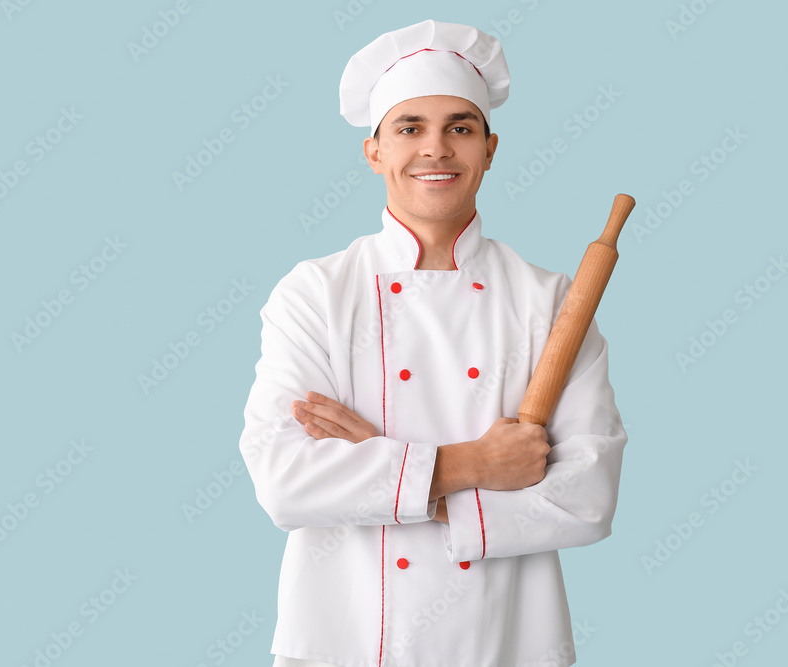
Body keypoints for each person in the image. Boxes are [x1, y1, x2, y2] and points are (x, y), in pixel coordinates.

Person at [239, 19, 626, 667]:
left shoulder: (552, 301)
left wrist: (383, 466)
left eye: (460, 128)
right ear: (374, 152)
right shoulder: (316, 293)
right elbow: (285, 482)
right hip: (341, 644)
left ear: (490, 149)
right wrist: (476, 463)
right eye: (409, 128)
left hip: (506, 642)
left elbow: (586, 499)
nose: (436, 149)